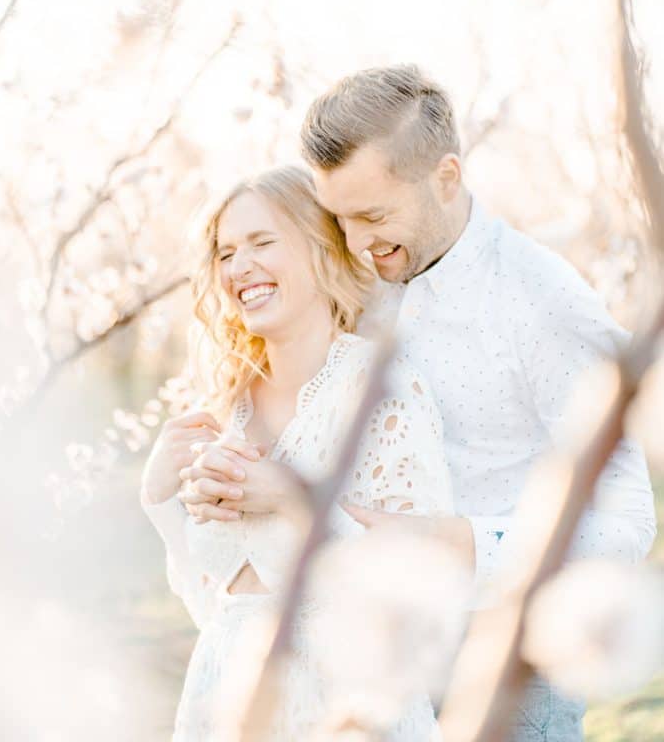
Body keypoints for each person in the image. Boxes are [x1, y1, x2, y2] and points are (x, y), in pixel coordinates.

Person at [190, 65, 656, 741]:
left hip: (504, 667)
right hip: (367, 658)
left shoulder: (543, 303)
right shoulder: (361, 276)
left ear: (445, 177)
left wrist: (460, 541)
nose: (353, 242)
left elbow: (626, 525)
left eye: (373, 216)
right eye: (337, 220)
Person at [141, 165, 454, 741]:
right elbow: (220, 612)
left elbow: (419, 595)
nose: (239, 267)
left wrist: (295, 500)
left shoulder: (380, 387)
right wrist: (160, 498)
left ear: (321, 250)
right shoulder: (221, 409)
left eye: (262, 242)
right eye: (225, 251)